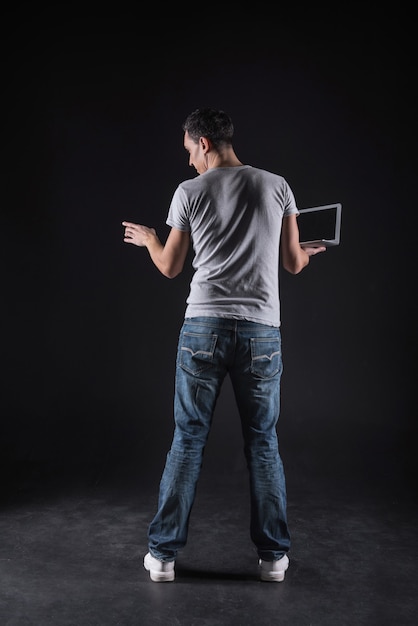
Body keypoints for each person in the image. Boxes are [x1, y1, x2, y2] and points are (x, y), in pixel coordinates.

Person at [122, 107, 325, 583]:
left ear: (204, 143)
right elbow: (293, 263)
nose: (189, 160)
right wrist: (310, 253)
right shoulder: (278, 186)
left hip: (203, 330)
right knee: (263, 443)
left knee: (188, 440)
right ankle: (274, 558)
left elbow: (170, 267)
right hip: (261, 334)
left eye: (189, 150)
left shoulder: (188, 192)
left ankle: (163, 557)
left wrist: (151, 239)